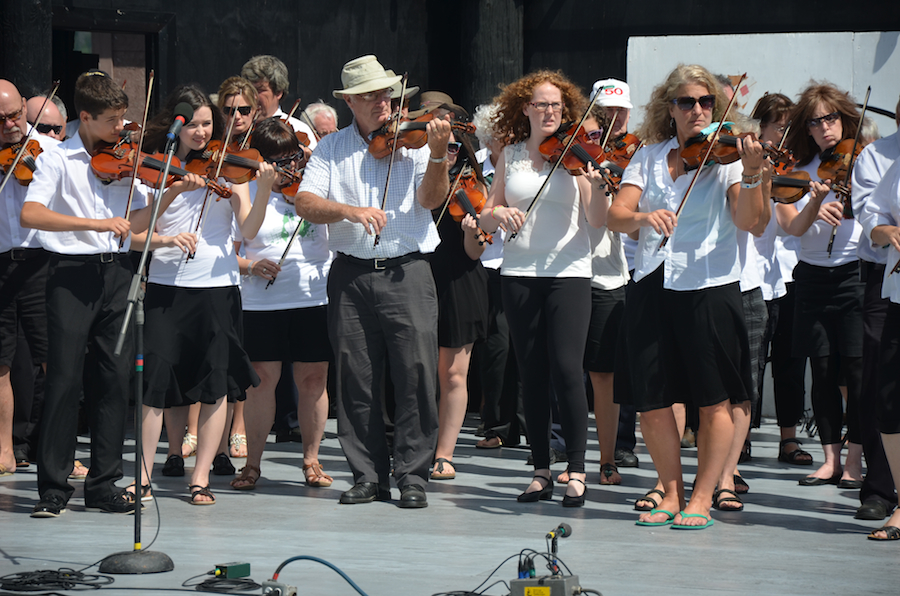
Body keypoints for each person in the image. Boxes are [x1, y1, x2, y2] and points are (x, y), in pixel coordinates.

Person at [20, 69, 187, 517]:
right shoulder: (56, 157)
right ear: (86, 117)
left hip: (118, 273)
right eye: (112, 120)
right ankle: (53, 489)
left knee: (113, 380)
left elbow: (134, 226)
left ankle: (104, 484)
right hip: (71, 275)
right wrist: (94, 225)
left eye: (123, 119)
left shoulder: (124, 159)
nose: (122, 128)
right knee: (64, 380)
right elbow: (31, 214)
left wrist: (171, 193)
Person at [607, 64, 766, 528]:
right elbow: (616, 215)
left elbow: (750, 223)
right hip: (652, 283)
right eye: (686, 102)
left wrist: (754, 173)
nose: (697, 110)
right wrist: (643, 218)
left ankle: (701, 498)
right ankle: (671, 493)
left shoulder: (730, 159)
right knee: (653, 399)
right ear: (669, 108)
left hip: (708, 286)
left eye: (705, 103)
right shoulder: (649, 155)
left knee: (713, 400)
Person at [295, 54, 451, 508]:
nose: (383, 101)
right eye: (371, 95)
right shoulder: (330, 148)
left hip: (408, 270)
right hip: (351, 273)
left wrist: (438, 154)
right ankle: (367, 474)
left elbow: (431, 199)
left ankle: (413, 475)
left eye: (386, 92)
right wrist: (349, 211)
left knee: (417, 374)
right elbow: (305, 202)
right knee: (355, 378)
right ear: (350, 102)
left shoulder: (417, 143)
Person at [478, 70, 610, 507]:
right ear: (525, 109)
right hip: (519, 273)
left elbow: (596, 221)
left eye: (557, 105)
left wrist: (595, 183)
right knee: (531, 373)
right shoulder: (511, 154)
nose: (550, 111)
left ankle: (576, 469)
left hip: (569, 272)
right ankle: (540, 470)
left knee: (568, 370)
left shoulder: (578, 157)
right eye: (542, 104)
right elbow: (487, 212)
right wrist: (496, 217)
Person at [131, 85, 266, 505]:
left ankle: (201, 476)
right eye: (193, 123)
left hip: (218, 288)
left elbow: (247, 231)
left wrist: (265, 189)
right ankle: (143, 476)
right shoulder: (155, 167)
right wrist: (173, 200)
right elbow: (134, 235)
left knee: (216, 385)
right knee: (154, 382)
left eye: (209, 124)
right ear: (176, 122)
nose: (202, 132)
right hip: (168, 289)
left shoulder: (230, 169)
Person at [229, 117, 333, 491]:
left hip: (312, 293)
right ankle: (253, 465)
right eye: (279, 160)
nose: (289, 168)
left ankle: (311, 459)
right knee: (261, 382)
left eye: (292, 158)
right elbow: (247, 233)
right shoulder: (243, 186)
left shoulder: (312, 184)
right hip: (262, 299)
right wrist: (263, 187)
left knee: (313, 379)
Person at [775, 83, 865, 488]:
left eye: (832, 118)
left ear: (844, 119)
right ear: (806, 128)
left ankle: (855, 461)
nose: (826, 128)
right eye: (817, 121)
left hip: (854, 275)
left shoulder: (863, 162)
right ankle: (830, 459)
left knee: (858, 372)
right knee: (823, 369)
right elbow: (791, 227)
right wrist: (816, 203)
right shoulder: (796, 172)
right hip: (811, 277)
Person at [0, 80, 59, 477]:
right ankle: (4, 449)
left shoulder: (53, 151)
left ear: (25, 106)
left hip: (43, 262)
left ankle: (56, 450)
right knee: (0, 363)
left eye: (14, 115)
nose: (9, 125)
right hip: (1, 262)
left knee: (53, 361)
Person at [750, 93, 811, 469]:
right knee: (749, 365)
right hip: (751, 276)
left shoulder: (795, 168)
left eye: (791, 128)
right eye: (779, 127)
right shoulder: (750, 167)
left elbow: (791, 222)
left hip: (790, 275)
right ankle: (738, 444)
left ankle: (788, 439)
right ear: (761, 129)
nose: (785, 137)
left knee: (790, 361)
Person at [429, 131, 489, 481]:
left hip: (458, 282)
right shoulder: (415, 181)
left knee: (452, 374)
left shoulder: (471, 187)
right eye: (442, 145)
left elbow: (474, 251)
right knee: (419, 374)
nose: (448, 153)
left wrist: (472, 231)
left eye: (455, 147)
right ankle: (417, 445)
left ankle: (444, 453)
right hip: (417, 279)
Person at [852, 95, 900, 521]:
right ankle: (882, 489)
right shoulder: (879, 156)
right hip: (887, 282)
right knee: (882, 386)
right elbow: (870, 222)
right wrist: (888, 231)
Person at [860, 157, 900, 540]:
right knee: (890, 402)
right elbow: (871, 217)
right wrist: (887, 231)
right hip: (898, 296)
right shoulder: (898, 165)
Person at [240, 55, 317, 144]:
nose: (253, 97)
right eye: (249, 90)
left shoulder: (298, 129)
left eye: (259, 90)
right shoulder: (236, 127)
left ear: (278, 92)